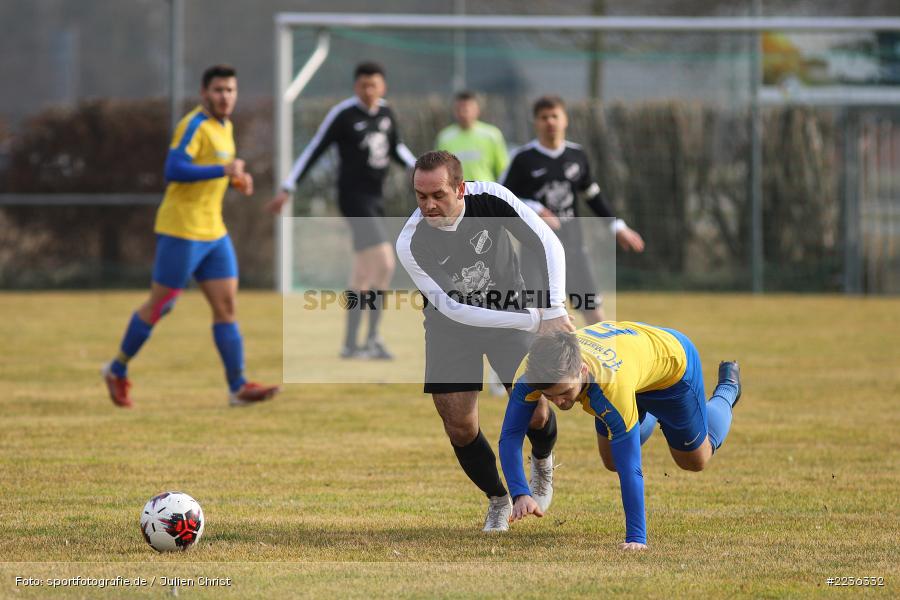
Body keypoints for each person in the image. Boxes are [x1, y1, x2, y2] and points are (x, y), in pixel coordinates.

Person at [396, 150, 574, 532]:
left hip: (510, 312)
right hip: (451, 328)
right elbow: (454, 309)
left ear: (460, 189)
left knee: (537, 410)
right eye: (420, 196)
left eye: (438, 195)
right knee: (459, 425)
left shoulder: (490, 198)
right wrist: (534, 318)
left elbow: (547, 242)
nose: (428, 205)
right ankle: (498, 498)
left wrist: (554, 308)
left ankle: (542, 460)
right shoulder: (411, 242)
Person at [102, 64, 280, 408]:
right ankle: (116, 369)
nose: (225, 96)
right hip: (181, 230)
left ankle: (237, 387)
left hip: (213, 232)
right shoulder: (193, 124)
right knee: (161, 305)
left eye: (230, 90)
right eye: (218, 90)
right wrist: (222, 170)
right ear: (204, 93)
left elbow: (214, 171)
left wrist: (234, 180)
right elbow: (174, 169)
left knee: (227, 306)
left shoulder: (225, 127)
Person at [498, 322, 742, 549]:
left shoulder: (611, 387)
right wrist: (520, 493)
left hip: (672, 369)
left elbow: (631, 467)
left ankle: (728, 389)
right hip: (631, 367)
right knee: (611, 460)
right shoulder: (531, 373)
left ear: (582, 370)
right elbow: (510, 436)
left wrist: (636, 537)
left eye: (564, 391)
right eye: (548, 395)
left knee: (694, 460)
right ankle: (640, 413)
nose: (558, 402)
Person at [268, 62, 416, 360]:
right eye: (363, 85)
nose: (368, 90)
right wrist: (288, 186)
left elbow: (398, 150)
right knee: (385, 263)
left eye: (374, 85)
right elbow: (314, 149)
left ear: (383, 87)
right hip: (353, 199)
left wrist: (422, 171)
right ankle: (372, 338)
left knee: (362, 274)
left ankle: (350, 344)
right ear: (355, 86)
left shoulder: (387, 114)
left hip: (375, 199)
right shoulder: (343, 115)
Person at [500, 96, 645, 323]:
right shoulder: (523, 159)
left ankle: (599, 358)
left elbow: (592, 194)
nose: (550, 122)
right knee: (539, 317)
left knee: (594, 313)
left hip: (573, 247)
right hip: (536, 251)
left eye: (554, 116)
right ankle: (545, 359)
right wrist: (535, 208)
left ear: (565, 119)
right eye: (543, 117)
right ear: (535, 122)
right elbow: (504, 198)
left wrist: (617, 226)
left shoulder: (577, 155)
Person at [435, 90, 510, 397]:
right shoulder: (446, 136)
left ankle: (501, 368)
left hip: (487, 219)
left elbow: (503, 172)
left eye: (469, 107)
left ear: (477, 109)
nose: (464, 111)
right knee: (464, 288)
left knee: (500, 285)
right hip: (454, 224)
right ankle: (470, 366)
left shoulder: (491, 136)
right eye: (459, 107)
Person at [435, 91, 509, 182]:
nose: (462, 113)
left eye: (466, 109)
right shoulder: (444, 137)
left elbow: (503, 170)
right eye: (458, 109)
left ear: (476, 110)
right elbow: (440, 170)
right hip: (456, 193)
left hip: (485, 192)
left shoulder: (492, 135)